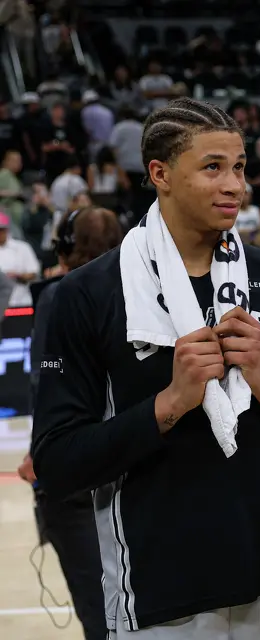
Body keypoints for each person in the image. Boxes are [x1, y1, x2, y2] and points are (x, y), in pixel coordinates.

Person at [30, 97, 260, 639]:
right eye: (213, 168)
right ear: (160, 175)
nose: (235, 185)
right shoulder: (87, 295)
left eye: (240, 167)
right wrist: (170, 403)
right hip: (158, 595)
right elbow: (59, 464)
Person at [17, 206, 123, 639]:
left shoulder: (59, 296)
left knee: (97, 611)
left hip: (77, 470)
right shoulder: (147, 286)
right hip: (137, 461)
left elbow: (49, 384)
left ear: (64, 249)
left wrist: (38, 453)